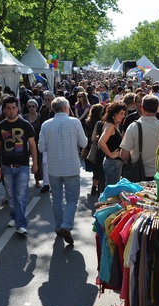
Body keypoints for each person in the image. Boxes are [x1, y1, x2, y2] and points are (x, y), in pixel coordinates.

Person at [38, 97, 88, 245]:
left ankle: (60, 226)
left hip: (54, 168)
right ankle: (66, 225)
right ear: (66, 108)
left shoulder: (46, 125)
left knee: (57, 199)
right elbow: (84, 142)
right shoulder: (74, 122)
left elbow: (41, 147)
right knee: (72, 199)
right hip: (71, 167)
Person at [0, 96, 38, 235]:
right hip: (6, 166)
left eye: (13, 108)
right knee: (11, 197)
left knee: (21, 196)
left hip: (23, 166)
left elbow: (32, 145)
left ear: (17, 108)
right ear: (4, 110)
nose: (11, 111)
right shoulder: (0, 127)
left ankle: (21, 224)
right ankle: (13, 216)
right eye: (8, 108)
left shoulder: (25, 125)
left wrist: (35, 163)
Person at [120, 95, 159, 182]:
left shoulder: (133, 126)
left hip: (138, 174)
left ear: (142, 107)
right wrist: (158, 105)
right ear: (157, 109)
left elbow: (124, 155)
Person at [98, 102, 127, 186]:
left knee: (112, 189)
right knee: (112, 192)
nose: (123, 116)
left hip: (114, 163)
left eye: (124, 113)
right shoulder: (110, 126)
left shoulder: (113, 125)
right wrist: (111, 155)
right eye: (121, 113)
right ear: (114, 113)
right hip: (113, 163)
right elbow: (101, 142)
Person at [83, 104, 106, 195]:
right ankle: (99, 187)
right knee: (100, 169)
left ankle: (93, 187)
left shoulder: (88, 122)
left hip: (90, 147)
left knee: (95, 169)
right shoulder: (101, 123)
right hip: (98, 147)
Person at [38, 90, 55, 193]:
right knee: (44, 162)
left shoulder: (57, 111)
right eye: (45, 100)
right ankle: (46, 183)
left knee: (54, 163)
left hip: (56, 142)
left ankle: (54, 184)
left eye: (49, 100)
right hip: (46, 140)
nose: (46, 101)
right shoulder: (43, 111)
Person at [25, 99, 44, 188]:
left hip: (36, 142)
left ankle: (37, 180)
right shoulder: (24, 118)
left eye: (33, 106)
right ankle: (24, 179)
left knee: (37, 161)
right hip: (25, 143)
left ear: (36, 107)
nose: (31, 108)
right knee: (24, 161)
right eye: (29, 106)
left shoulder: (40, 117)